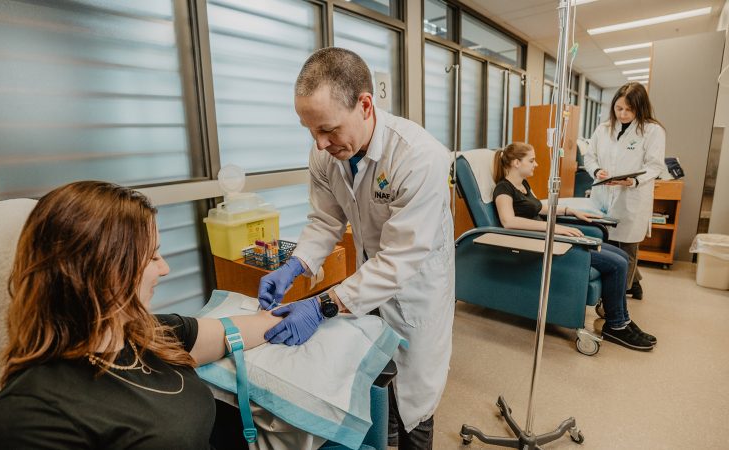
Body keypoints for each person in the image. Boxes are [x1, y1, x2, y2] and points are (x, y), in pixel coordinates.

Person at [0, 181, 282, 449]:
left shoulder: (143, 334)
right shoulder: (29, 419)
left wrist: (300, 312)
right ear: (102, 270)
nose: (165, 268)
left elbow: (231, 331)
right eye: (152, 257)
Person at [256, 47, 455, 449]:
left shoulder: (418, 157)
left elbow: (400, 258)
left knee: (415, 396)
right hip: (368, 277)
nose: (320, 143)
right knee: (374, 375)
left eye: (328, 129)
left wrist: (321, 305)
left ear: (365, 105)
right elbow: (325, 220)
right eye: (310, 130)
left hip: (417, 286)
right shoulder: (325, 153)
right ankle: (386, 431)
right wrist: (296, 264)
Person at [493, 142, 657, 351]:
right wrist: (554, 228)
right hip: (539, 245)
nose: (536, 164)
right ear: (516, 163)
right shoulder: (503, 188)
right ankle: (616, 326)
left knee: (621, 256)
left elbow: (541, 208)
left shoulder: (523, 185)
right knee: (616, 264)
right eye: (531, 160)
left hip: (550, 238)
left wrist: (571, 211)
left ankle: (622, 319)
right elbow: (508, 221)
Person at [584, 82, 666, 300]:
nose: (622, 114)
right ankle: (634, 283)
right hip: (604, 196)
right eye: (618, 108)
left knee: (628, 249)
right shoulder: (603, 129)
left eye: (629, 110)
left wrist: (634, 181)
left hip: (632, 197)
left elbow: (654, 165)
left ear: (640, 108)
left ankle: (616, 299)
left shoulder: (652, 131)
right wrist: (597, 170)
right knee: (608, 247)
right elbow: (590, 157)